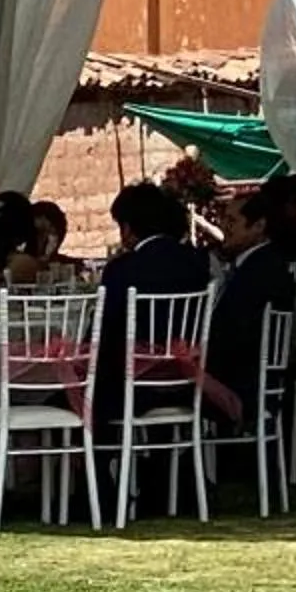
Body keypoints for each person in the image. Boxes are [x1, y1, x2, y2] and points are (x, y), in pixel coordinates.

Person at [94, 181, 215, 467]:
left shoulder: (123, 269)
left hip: (132, 385)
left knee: (83, 390)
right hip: (186, 379)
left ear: (127, 227)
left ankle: (98, 480)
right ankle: (163, 470)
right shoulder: (197, 263)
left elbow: (105, 330)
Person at [206, 188, 293, 440]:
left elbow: (233, 332)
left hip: (240, 378)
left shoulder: (257, 272)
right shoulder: (263, 264)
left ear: (258, 226)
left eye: (232, 221)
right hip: (256, 373)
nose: (224, 227)